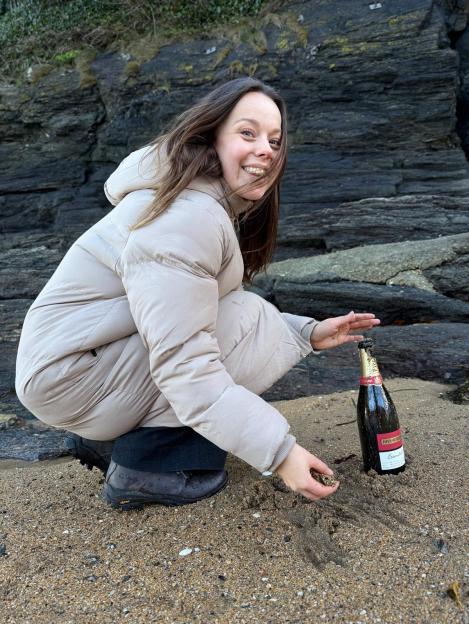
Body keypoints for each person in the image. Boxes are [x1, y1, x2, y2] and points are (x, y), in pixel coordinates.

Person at [15, 78, 380, 510]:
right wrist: (279, 453)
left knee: (243, 314)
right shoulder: (185, 217)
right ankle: (145, 468)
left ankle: (114, 438)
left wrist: (309, 332)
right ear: (211, 138)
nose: (266, 149)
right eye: (248, 133)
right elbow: (185, 363)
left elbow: (195, 311)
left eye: (275, 140)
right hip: (71, 378)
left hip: (79, 363)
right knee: (240, 325)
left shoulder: (197, 202)